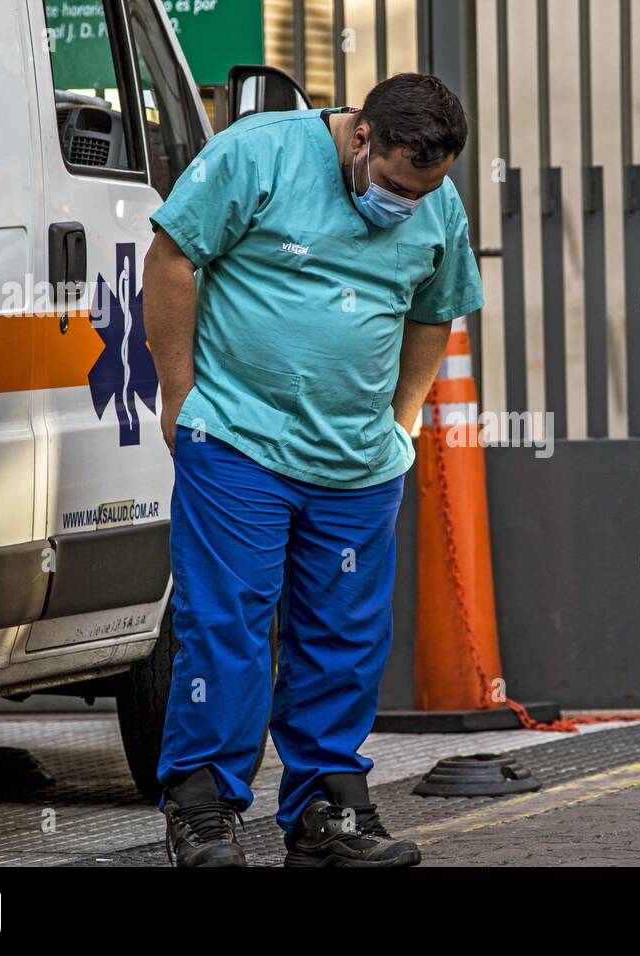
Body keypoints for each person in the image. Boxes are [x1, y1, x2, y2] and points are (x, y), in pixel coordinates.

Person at [143, 72, 483, 867]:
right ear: (361, 137)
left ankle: (328, 817)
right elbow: (171, 260)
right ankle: (203, 813)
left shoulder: (437, 201)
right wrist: (180, 398)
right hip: (239, 443)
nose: (409, 202)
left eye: (427, 188)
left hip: (356, 465)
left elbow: (435, 311)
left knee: (345, 639)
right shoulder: (258, 155)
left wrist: (397, 427)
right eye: (398, 184)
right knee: (227, 628)